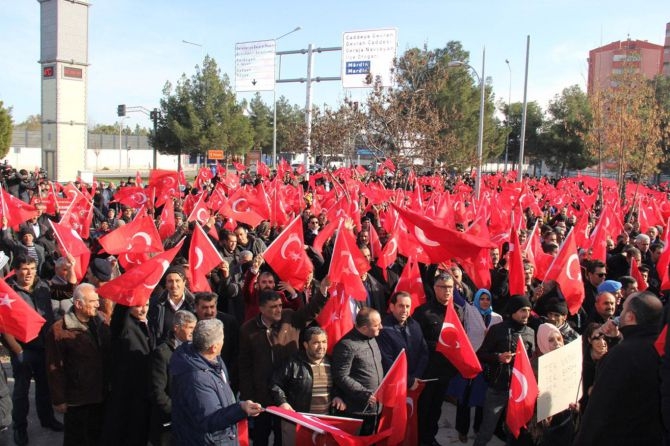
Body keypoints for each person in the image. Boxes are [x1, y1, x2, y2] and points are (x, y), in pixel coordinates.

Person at [238, 280, 330, 446]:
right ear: (261, 309)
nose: (278, 310)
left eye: (280, 305)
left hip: (288, 396)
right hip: (261, 396)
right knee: (261, 437)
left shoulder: (290, 318)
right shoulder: (248, 329)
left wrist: (322, 291)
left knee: (284, 438)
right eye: (273, 307)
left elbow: (310, 311)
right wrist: (248, 396)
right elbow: (244, 366)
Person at [574, 291, 664, 445]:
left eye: (622, 309)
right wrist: (616, 339)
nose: (618, 313)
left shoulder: (620, 357)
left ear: (630, 317)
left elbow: (599, 412)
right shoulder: (663, 348)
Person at [170, 319, 263, 445]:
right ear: (214, 347)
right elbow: (210, 419)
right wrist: (241, 409)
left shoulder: (214, 360)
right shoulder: (197, 379)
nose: (223, 341)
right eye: (222, 339)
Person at [1, 254, 60, 446]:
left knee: (45, 387)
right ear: (16, 270)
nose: (29, 273)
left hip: (44, 346)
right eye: (25, 269)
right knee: (21, 392)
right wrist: (17, 351)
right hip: (23, 350)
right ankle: (20, 428)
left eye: (33, 269)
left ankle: (47, 418)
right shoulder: (8, 292)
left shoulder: (43, 286)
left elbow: (67, 292)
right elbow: (3, 325)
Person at [45, 283, 111, 446]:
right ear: (78, 304)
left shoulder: (102, 322)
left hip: (100, 395)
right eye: (92, 301)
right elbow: (54, 367)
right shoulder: (59, 330)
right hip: (77, 399)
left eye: (97, 300)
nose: (97, 304)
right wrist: (59, 399)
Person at [473, 295, 535, 446]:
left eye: (528, 310)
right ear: (513, 311)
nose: (526, 314)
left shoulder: (531, 332)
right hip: (498, 388)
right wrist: (498, 357)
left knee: (514, 430)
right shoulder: (498, 330)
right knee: (487, 429)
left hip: (520, 390)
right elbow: (481, 354)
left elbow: (531, 360)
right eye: (522, 310)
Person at [270, 326, 346, 445]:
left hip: (325, 423)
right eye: (316, 343)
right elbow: (275, 384)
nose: (321, 347)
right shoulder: (292, 362)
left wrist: (337, 396)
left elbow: (338, 384)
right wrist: (282, 402)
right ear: (306, 345)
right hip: (298, 422)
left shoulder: (332, 362)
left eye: (324, 342)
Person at [102, 302, 155, 446]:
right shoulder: (123, 326)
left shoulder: (149, 323)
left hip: (145, 388)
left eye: (146, 305)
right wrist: (129, 295)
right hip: (126, 390)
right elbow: (119, 316)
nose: (143, 309)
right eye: (138, 306)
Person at [331, 307, 384, 436]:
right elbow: (341, 376)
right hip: (356, 409)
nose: (381, 327)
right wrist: (363, 393)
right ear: (364, 328)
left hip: (374, 407)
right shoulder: (346, 345)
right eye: (377, 325)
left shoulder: (372, 338)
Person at [148, 310, 197, 446]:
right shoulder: (162, 353)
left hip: (191, 421)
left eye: (195, 327)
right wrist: (177, 411)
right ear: (177, 328)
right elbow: (158, 392)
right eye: (190, 327)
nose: (193, 332)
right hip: (169, 423)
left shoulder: (196, 351)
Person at [376, 291, 429, 390]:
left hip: (415, 383)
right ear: (392, 307)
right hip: (393, 385)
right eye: (401, 306)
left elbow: (424, 353)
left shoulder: (415, 325)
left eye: (407, 306)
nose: (405, 310)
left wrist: (416, 377)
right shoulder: (383, 329)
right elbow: (387, 361)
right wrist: (408, 381)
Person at [148, 266, 195, 345]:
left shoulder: (194, 303)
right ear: (166, 284)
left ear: (184, 282)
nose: (174, 285)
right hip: (165, 353)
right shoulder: (156, 304)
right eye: (170, 281)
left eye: (177, 281)